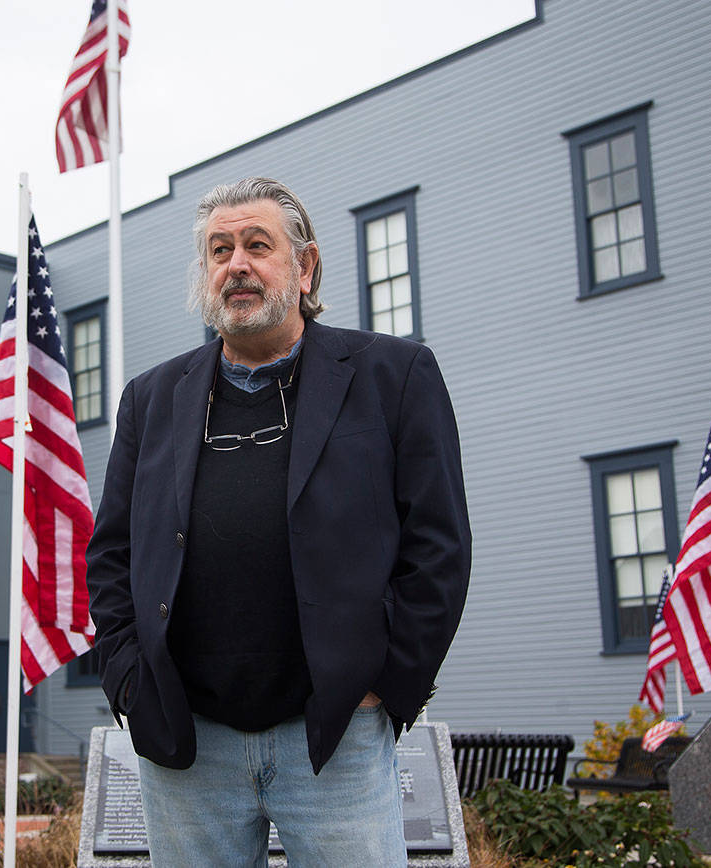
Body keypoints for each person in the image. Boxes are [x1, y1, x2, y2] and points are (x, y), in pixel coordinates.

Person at [86, 177, 471, 866]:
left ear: (306, 266)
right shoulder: (150, 400)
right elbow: (112, 556)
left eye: (258, 245)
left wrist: (382, 690)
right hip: (187, 744)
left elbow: (439, 547)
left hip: (335, 739)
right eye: (219, 249)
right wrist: (128, 684)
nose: (237, 264)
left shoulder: (394, 375)